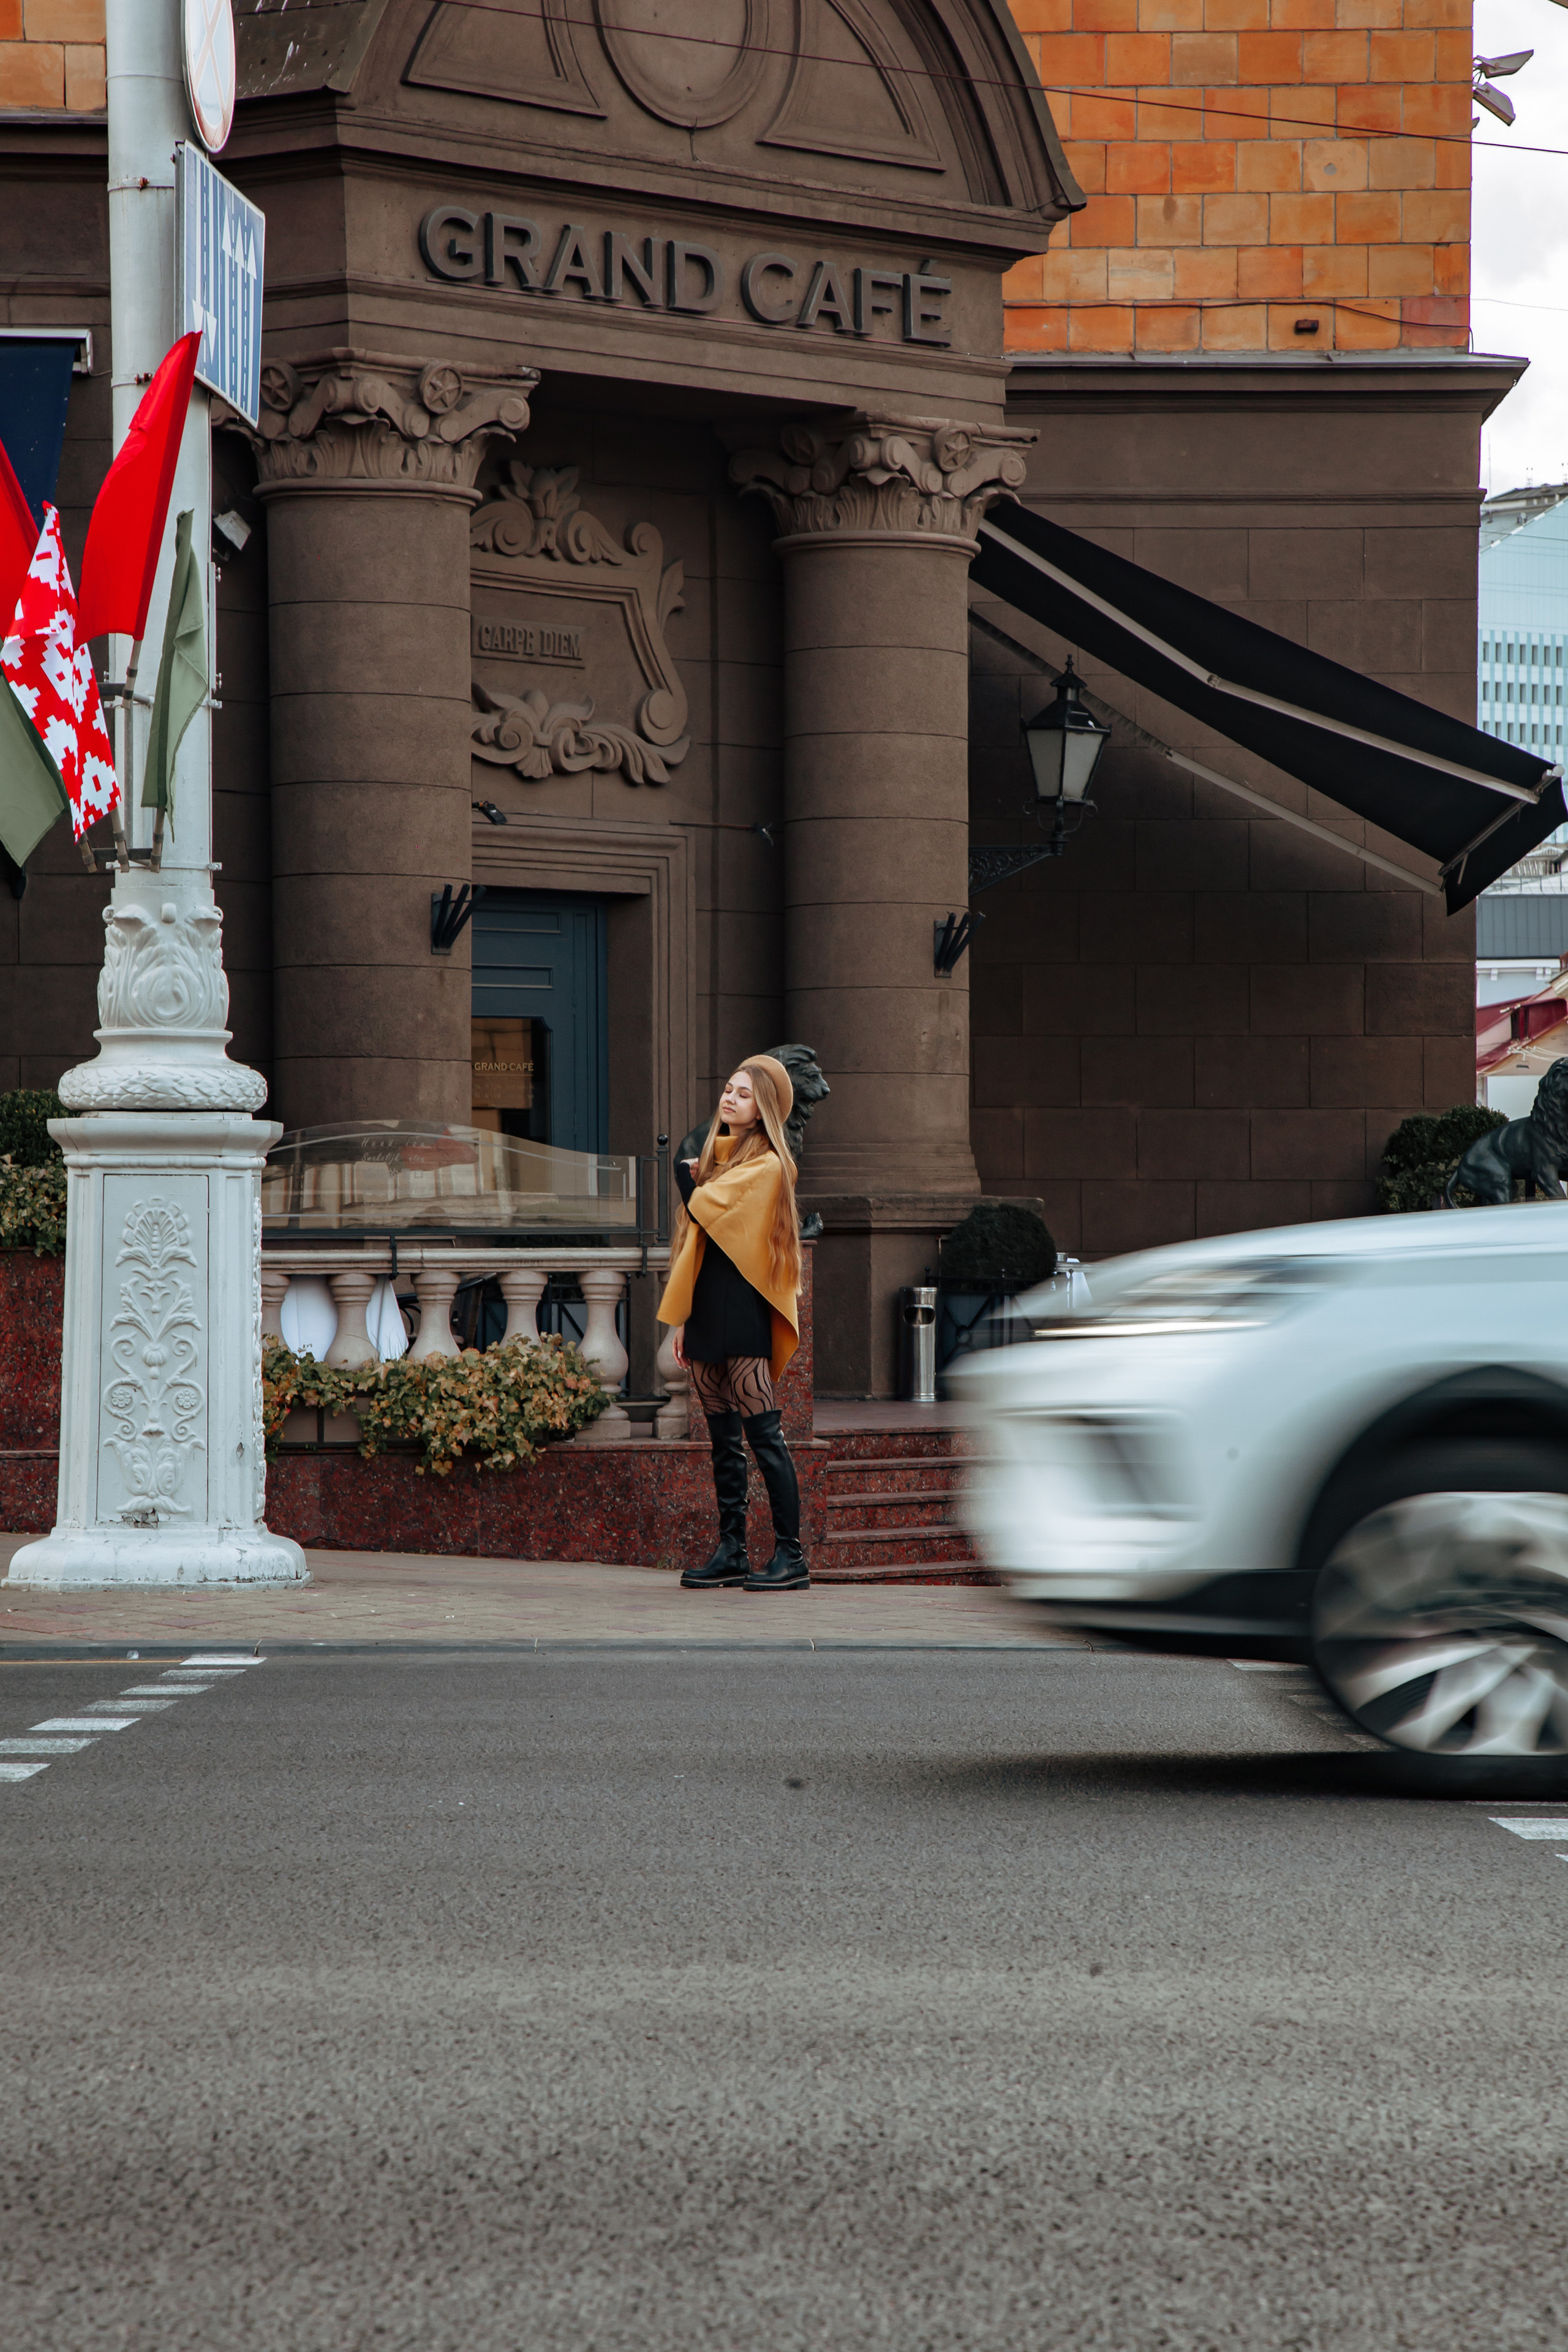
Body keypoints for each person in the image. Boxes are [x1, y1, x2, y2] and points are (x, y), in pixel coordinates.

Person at [657, 1057, 806, 1592]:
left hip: (742, 1303)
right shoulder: (716, 1163)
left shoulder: (766, 1166)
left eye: (742, 1095)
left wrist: (691, 1175)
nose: (729, 1099)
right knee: (722, 1439)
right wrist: (681, 1320)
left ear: (761, 1110)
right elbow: (696, 1246)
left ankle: (791, 1557)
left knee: (763, 1433)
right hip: (706, 1301)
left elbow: (707, 1210)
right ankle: (732, 1551)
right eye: (727, 1090)